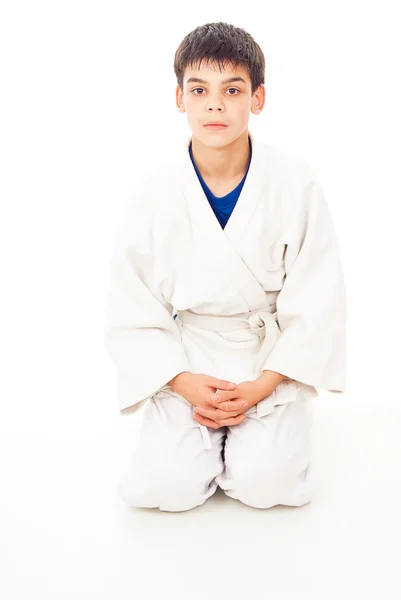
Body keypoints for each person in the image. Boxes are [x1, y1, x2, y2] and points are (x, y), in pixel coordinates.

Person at [104, 22, 347, 512]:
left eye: (232, 89)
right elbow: (132, 303)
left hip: (266, 358)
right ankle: (192, 434)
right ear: (180, 98)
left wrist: (266, 382)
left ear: (257, 99)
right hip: (187, 356)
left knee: (269, 486)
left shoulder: (295, 184)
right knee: (165, 490)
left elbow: (318, 294)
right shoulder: (154, 193)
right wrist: (182, 381)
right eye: (200, 90)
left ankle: (273, 426)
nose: (215, 104)